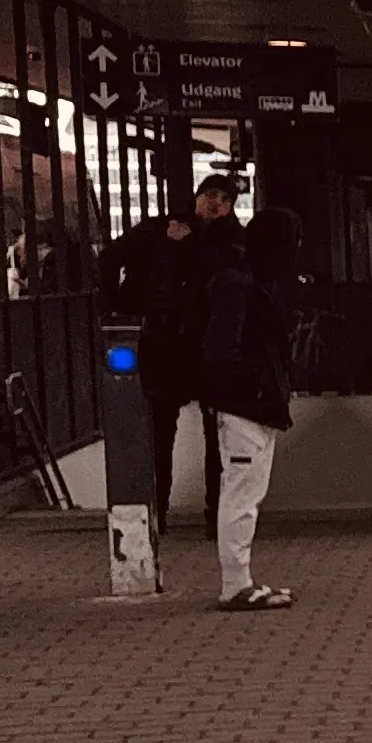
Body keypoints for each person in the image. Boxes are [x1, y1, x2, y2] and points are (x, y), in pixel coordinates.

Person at [108, 171, 241, 537]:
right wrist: (116, 308)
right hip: (174, 345)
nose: (215, 202)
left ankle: (211, 513)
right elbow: (111, 256)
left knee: (211, 435)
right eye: (210, 194)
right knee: (166, 432)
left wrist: (187, 244)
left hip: (203, 346)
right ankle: (160, 510)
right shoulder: (161, 230)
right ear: (197, 196)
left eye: (224, 198)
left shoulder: (227, 241)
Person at [198, 210, 301, 612]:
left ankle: (240, 580)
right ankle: (235, 583)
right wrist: (254, 385)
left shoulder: (244, 282)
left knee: (244, 492)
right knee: (242, 494)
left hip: (250, 405)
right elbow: (222, 349)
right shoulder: (243, 286)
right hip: (246, 406)